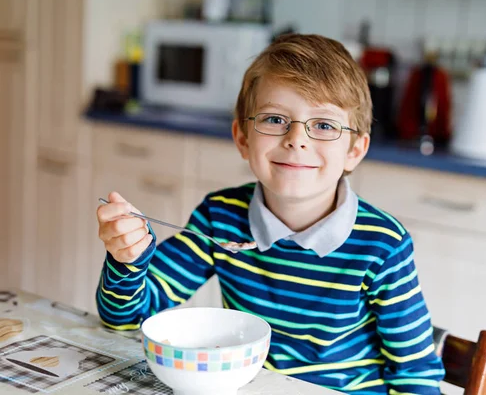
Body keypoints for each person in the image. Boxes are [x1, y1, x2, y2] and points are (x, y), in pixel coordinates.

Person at [96, 33, 445, 394]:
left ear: (355, 149)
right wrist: (127, 261)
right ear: (243, 138)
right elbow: (126, 319)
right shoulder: (220, 217)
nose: (297, 138)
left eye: (324, 125)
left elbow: (415, 374)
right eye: (275, 119)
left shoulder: (382, 244)